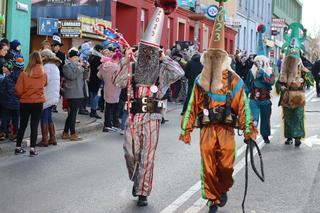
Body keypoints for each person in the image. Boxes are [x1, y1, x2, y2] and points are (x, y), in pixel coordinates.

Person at [179, 1, 257, 212]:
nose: (214, 60)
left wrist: (249, 130)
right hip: (206, 130)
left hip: (226, 131)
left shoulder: (234, 80)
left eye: (217, 57)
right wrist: (186, 129)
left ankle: (221, 190)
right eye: (211, 57)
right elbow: (191, 106)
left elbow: (244, 107)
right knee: (208, 164)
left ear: (223, 59)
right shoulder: (200, 80)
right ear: (207, 58)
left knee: (225, 164)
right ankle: (212, 199)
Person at [114, 1, 184, 206]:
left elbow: (178, 73)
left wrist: (164, 58)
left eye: (151, 52)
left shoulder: (162, 69)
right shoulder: (133, 67)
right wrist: (126, 61)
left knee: (147, 155)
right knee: (129, 151)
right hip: (134, 115)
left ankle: (143, 191)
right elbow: (117, 81)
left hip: (153, 116)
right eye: (144, 51)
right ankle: (137, 179)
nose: (147, 55)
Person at [276, 22, 314, 147]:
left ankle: (297, 137)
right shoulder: (284, 67)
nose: (292, 59)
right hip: (287, 94)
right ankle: (289, 137)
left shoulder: (300, 66)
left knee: (298, 116)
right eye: (290, 56)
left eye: (294, 56)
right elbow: (278, 83)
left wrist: (307, 76)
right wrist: (280, 87)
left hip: (298, 95)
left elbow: (310, 79)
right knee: (287, 117)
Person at [245, 24, 275, 144]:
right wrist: (242, 97)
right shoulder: (251, 72)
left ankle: (265, 135)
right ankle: (251, 136)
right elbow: (247, 85)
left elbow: (271, 83)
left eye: (262, 61)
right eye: (258, 61)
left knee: (265, 120)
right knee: (253, 118)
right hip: (254, 99)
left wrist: (263, 76)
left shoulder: (269, 71)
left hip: (266, 100)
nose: (260, 63)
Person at [15, 52, 48, 157]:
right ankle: (33, 149)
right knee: (34, 125)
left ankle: (18, 147)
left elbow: (18, 90)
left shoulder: (24, 73)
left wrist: (22, 96)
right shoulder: (44, 73)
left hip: (25, 102)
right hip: (38, 102)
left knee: (23, 125)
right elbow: (45, 83)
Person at [62, 48, 88, 141]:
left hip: (79, 91)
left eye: (78, 57)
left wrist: (86, 69)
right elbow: (71, 76)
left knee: (72, 114)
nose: (78, 59)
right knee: (72, 114)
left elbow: (85, 77)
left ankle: (65, 132)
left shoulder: (78, 66)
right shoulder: (66, 66)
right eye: (76, 57)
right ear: (71, 57)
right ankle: (72, 133)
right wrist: (80, 68)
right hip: (72, 92)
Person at [36, 49, 61, 147]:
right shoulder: (55, 67)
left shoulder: (46, 67)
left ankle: (45, 139)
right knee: (49, 116)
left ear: (45, 57)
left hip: (47, 95)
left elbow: (44, 82)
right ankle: (53, 138)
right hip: (53, 95)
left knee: (44, 117)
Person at [98, 50, 122, 132]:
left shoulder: (104, 65)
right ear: (118, 58)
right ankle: (110, 124)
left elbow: (99, 75)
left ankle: (107, 124)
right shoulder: (116, 67)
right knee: (113, 108)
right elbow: (120, 79)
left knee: (108, 107)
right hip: (115, 88)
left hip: (107, 88)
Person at [0, 59, 23, 141]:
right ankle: (15, 133)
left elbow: (2, 90)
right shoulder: (22, 77)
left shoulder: (7, 78)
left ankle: (3, 133)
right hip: (17, 102)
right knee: (15, 119)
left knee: (5, 118)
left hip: (6, 102)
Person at [88, 44, 104, 119]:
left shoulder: (91, 56)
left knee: (92, 95)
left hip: (91, 78)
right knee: (96, 95)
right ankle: (93, 111)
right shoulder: (99, 58)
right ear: (99, 50)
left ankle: (92, 111)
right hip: (97, 79)